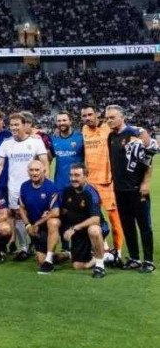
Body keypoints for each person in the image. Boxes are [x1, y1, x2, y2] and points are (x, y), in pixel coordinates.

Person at [0, 112, 49, 260]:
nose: (14, 127)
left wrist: (46, 182)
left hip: (34, 186)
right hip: (15, 187)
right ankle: (23, 247)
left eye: (17, 124)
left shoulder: (36, 142)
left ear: (24, 125)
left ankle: (39, 246)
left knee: (37, 215)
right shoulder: (6, 143)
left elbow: (44, 162)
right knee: (18, 216)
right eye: (12, 125)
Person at [105, 104, 155, 273]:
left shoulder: (136, 133)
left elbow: (148, 159)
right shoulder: (111, 137)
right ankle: (134, 258)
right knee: (127, 226)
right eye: (107, 118)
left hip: (137, 189)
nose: (109, 120)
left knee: (144, 226)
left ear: (122, 117)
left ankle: (148, 261)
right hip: (120, 190)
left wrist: (146, 183)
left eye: (112, 117)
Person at [80, 103, 125, 264]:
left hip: (108, 182)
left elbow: (125, 130)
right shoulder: (84, 131)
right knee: (94, 217)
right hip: (91, 183)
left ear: (97, 114)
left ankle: (118, 252)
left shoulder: (108, 127)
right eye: (84, 116)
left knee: (114, 218)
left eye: (90, 115)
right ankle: (104, 249)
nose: (87, 118)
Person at [50, 163, 109, 278]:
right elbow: (59, 208)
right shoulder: (67, 191)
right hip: (79, 232)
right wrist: (49, 212)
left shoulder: (91, 193)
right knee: (78, 266)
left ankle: (100, 266)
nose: (73, 178)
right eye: (71, 175)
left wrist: (73, 228)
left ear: (86, 176)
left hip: (94, 228)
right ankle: (105, 256)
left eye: (77, 175)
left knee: (94, 230)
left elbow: (96, 219)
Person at [18, 159, 62, 273]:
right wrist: (28, 225)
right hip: (34, 228)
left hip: (46, 227)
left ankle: (49, 258)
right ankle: (63, 255)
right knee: (40, 262)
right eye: (31, 170)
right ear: (28, 172)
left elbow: (56, 212)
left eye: (37, 170)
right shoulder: (24, 186)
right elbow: (21, 208)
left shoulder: (51, 187)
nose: (34, 173)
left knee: (53, 222)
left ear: (44, 171)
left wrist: (37, 223)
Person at [51, 111, 84, 190]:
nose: (61, 123)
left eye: (64, 120)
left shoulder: (80, 137)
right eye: (59, 121)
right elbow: (48, 158)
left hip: (77, 183)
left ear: (70, 121)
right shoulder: (54, 139)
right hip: (59, 184)